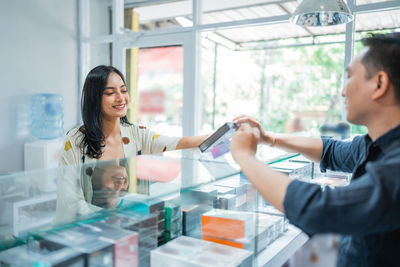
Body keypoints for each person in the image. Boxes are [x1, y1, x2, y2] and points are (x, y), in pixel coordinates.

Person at [230, 32, 400, 266]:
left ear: (380, 83)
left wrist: (244, 156)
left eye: (350, 77)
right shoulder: (377, 143)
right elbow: (331, 151)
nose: (343, 92)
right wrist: (268, 138)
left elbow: (320, 210)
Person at [60, 65, 208, 166]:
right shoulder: (75, 141)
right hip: (91, 213)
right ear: (95, 99)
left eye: (123, 91)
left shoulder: (137, 133)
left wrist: (226, 131)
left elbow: (177, 143)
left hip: (128, 211)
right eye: (110, 93)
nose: (120, 98)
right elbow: (70, 198)